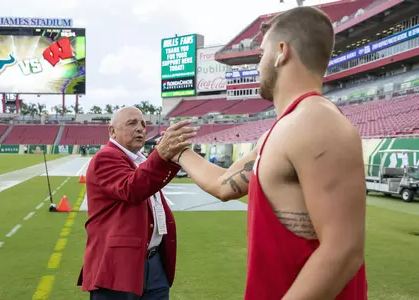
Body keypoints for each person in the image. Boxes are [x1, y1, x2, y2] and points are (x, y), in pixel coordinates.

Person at [169, 7, 367, 300]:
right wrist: (177, 150)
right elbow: (224, 184)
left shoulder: (317, 123)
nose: (258, 64)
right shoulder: (281, 131)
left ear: (281, 52)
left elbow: (344, 251)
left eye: (261, 54)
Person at [77, 107, 197, 300]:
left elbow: (149, 182)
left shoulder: (139, 159)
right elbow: (132, 189)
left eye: (142, 123)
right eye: (132, 123)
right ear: (112, 131)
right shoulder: (106, 157)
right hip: (118, 264)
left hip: (153, 261)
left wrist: (169, 156)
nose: (140, 128)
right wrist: (160, 155)